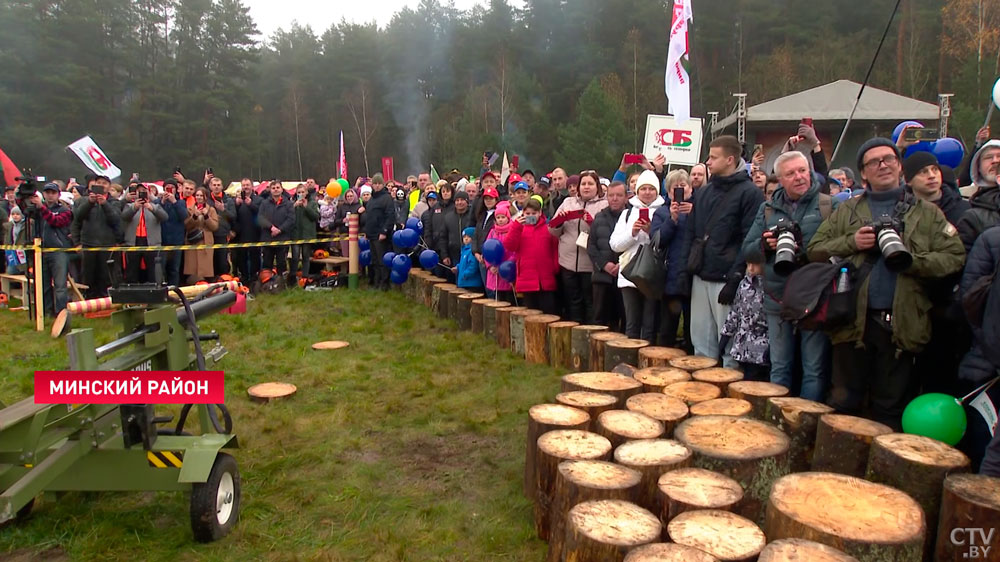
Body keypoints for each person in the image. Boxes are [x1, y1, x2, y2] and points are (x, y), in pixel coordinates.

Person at [807, 138, 966, 429]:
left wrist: (910, 260)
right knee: (844, 402)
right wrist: (851, 242)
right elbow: (815, 247)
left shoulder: (927, 213)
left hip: (903, 324)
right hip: (851, 322)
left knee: (890, 406)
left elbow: (955, 257)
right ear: (863, 174)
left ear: (899, 166)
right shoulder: (848, 210)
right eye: (873, 162)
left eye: (888, 159)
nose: (882, 165)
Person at [742, 151, 836, 401]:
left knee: (814, 369)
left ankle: (804, 423)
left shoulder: (829, 205)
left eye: (803, 170)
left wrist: (805, 249)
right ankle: (777, 418)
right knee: (780, 365)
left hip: (815, 298)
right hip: (778, 296)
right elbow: (747, 249)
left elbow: (842, 246)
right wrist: (766, 246)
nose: (799, 177)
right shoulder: (768, 209)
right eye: (791, 173)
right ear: (780, 179)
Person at [680, 135, 765, 367]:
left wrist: (735, 277)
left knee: (728, 345)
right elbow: (692, 231)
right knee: (701, 343)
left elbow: (750, 237)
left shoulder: (750, 193)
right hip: (701, 274)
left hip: (727, 277)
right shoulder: (705, 192)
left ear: (729, 159)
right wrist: (686, 270)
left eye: (713, 157)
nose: (708, 162)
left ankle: (729, 399)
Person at [610, 170, 666, 340]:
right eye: (643, 188)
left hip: (651, 275)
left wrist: (651, 232)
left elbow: (665, 243)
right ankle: (630, 360)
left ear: (657, 191)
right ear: (637, 190)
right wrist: (632, 233)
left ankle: (647, 360)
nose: (647, 192)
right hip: (628, 274)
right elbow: (615, 244)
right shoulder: (627, 213)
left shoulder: (663, 212)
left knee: (649, 324)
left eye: (651, 189)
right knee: (632, 323)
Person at [550, 170, 608, 323]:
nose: (586, 187)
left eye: (590, 184)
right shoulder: (568, 202)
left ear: (597, 186)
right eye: (583, 184)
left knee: (590, 302)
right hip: (568, 262)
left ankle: (589, 333)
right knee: (572, 301)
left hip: (590, 263)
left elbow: (606, 234)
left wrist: (591, 222)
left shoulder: (604, 205)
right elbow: (552, 230)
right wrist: (559, 221)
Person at [652, 170, 694, 351]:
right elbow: (658, 241)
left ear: (690, 188)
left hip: (693, 276)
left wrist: (694, 215)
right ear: (668, 192)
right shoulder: (662, 212)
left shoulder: (699, 209)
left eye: (683, 186)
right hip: (671, 277)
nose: (679, 190)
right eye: (674, 188)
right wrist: (672, 219)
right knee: (667, 328)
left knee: (692, 329)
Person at [505, 197, 559, 314]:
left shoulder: (548, 228)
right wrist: (516, 227)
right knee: (531, 313)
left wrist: (555, 267)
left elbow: (555, 249)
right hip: (527, 278)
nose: (531, 216)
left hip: (546, 278)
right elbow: (509, 245)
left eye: (534, 213)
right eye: (527, 213)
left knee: (549, 311)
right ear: (523, 213)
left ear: (540, 213)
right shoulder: (519, 228)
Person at [71, 176, 121, 298]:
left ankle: (104, 302)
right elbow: (77, 219)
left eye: (104, 183)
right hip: (88, 244)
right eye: (99, 183)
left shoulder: (115, 202)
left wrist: (104, 204)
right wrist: (89, 202)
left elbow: (116, 219)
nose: (101, 185)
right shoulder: (82, 201)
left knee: (106, 276)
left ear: (109, 186)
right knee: (88, 276)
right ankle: (89, 301)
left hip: (107, 245)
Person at [720, 261, 770, 380]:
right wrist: (724, 338)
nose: (751, 268)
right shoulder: (744, 284)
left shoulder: (768, 287)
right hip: (741, 348)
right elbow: (735, 312)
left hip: (760, 351)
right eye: (748, 264)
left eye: (755, 264)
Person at [588, 181, 627, 332]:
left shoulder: (630, 216)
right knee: (600, 320)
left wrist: (621, 265)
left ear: (626, 197)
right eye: (611, 195)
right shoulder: (599, 217)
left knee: (624, 318)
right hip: (602, 277)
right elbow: (591, 246)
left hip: (624, 276)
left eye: (619, 195)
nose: (615, 199)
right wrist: (604, 265)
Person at [33, 183, 73, 315]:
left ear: (58, 195)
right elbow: (24, 210)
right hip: (42, 251)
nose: (50, 195)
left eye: (53, 193)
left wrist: (42, 207)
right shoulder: (38, 210)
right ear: (43, 194)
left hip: (59, 251)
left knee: (60, 285)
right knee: (43, 285)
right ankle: (46, 312)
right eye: (47, 192)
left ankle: (61, 313)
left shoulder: (65, 211)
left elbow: (55, 221)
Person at [957, 140, 1000, 252]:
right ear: (978, 167)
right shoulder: (961, 198)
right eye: (988, 157)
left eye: (999, 156)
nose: (995, 161)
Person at [122, 181, 168, 283]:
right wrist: (135, 207)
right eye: (139, 191)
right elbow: (124, 217)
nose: (141, 193)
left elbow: (164, 217)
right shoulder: (130, 206)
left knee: (153, 270)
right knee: (132, 270)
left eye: (144, 191)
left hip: (151, 242)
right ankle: (131, 289)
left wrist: (152, 208)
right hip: (133, 242)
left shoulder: (155, 205)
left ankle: (155, 289)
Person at [362, 173, 395, 290]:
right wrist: (366, 231)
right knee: (374, 261)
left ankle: (384, 283)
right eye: (374, 183)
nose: (376, 186)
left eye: (379, 183)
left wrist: (384, 232)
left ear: (382, 184)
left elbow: (390, 216)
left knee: (382, 261)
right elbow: (369, 217)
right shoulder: (371, 199)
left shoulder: (387, 198)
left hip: (380, 235)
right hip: (371, 234)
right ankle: (376, 283)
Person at [258, 181, 295, 278]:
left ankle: (281, 284)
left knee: (282, 263)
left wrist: (280, 229)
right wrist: (271, 227)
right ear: (270, 190)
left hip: (282, 238)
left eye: (278, 187)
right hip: (268, 238)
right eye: (273, 188)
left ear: (282, 189)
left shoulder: (288, 204)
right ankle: (267, 283)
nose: (276, 189)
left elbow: (291, 219)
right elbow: (260, 218)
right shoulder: (264, 203)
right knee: (267, 264)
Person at [438, 190, 475, 283]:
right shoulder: (448, 217)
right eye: (457, 200)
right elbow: (443, 237)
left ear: (467, 201)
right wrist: (444, 255)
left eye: (462, 200)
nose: (459, 202)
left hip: (470, 255)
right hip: (454, 255)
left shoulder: (473, 216)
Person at [183, 187, 219, 283]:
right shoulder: (189, 209)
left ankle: (206, 284)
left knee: (205, 268)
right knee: (193, 268)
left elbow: (215, 227)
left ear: (205, 197)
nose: (199, 197)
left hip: (205, 241)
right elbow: (186, 225)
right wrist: (194, 216)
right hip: (192, 241)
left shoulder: (211, 210)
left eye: (201, 195)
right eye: (197, 195)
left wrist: (206, 216)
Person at [485, 201, 516, 302]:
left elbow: (514, 251)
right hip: (494, 271)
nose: (501, 220)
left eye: (503, 217)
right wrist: (490, 266)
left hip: (507, 270)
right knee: (497, 299)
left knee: (508, 299)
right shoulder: (493, 232)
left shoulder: (512, 230)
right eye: (498, 218)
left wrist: (504, 266)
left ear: (508, 217)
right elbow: (487, 249)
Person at [232, 178, 260, 283]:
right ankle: (244, 278)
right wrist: (236, 204)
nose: (246, 187)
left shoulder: (258, 199)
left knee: (255, 258)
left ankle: (254, 278)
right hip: (240, 235)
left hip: (254, 234)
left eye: (247, 185)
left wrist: (251, 204)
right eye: (243, 185)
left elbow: (261, 213)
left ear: (252, 186)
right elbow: (231, 216)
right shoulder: (236, 201)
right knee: (241, 259)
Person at [289, 183, 319, 281]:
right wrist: (294, 206)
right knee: (295, 257)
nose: (301, 194)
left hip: (307, 234)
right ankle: (293, 277)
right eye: (299, 192)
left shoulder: (313, 203)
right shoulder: (292, 203)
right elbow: (288, 216)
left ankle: (305, 277)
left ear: (306, 193)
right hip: (296, 234)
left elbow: (316, 217)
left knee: (306, 257)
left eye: (303, 192)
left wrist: (307, 207)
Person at [333, 188, 361, 259]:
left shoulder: (359, 206)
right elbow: (336, 220)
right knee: (346, 255)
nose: (349, 198)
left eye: (351, 196)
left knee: (356, 255)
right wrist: (343, 220)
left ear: (354, 196)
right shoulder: (342, 207)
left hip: (356, 233)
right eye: (347, 196)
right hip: (344, 233)